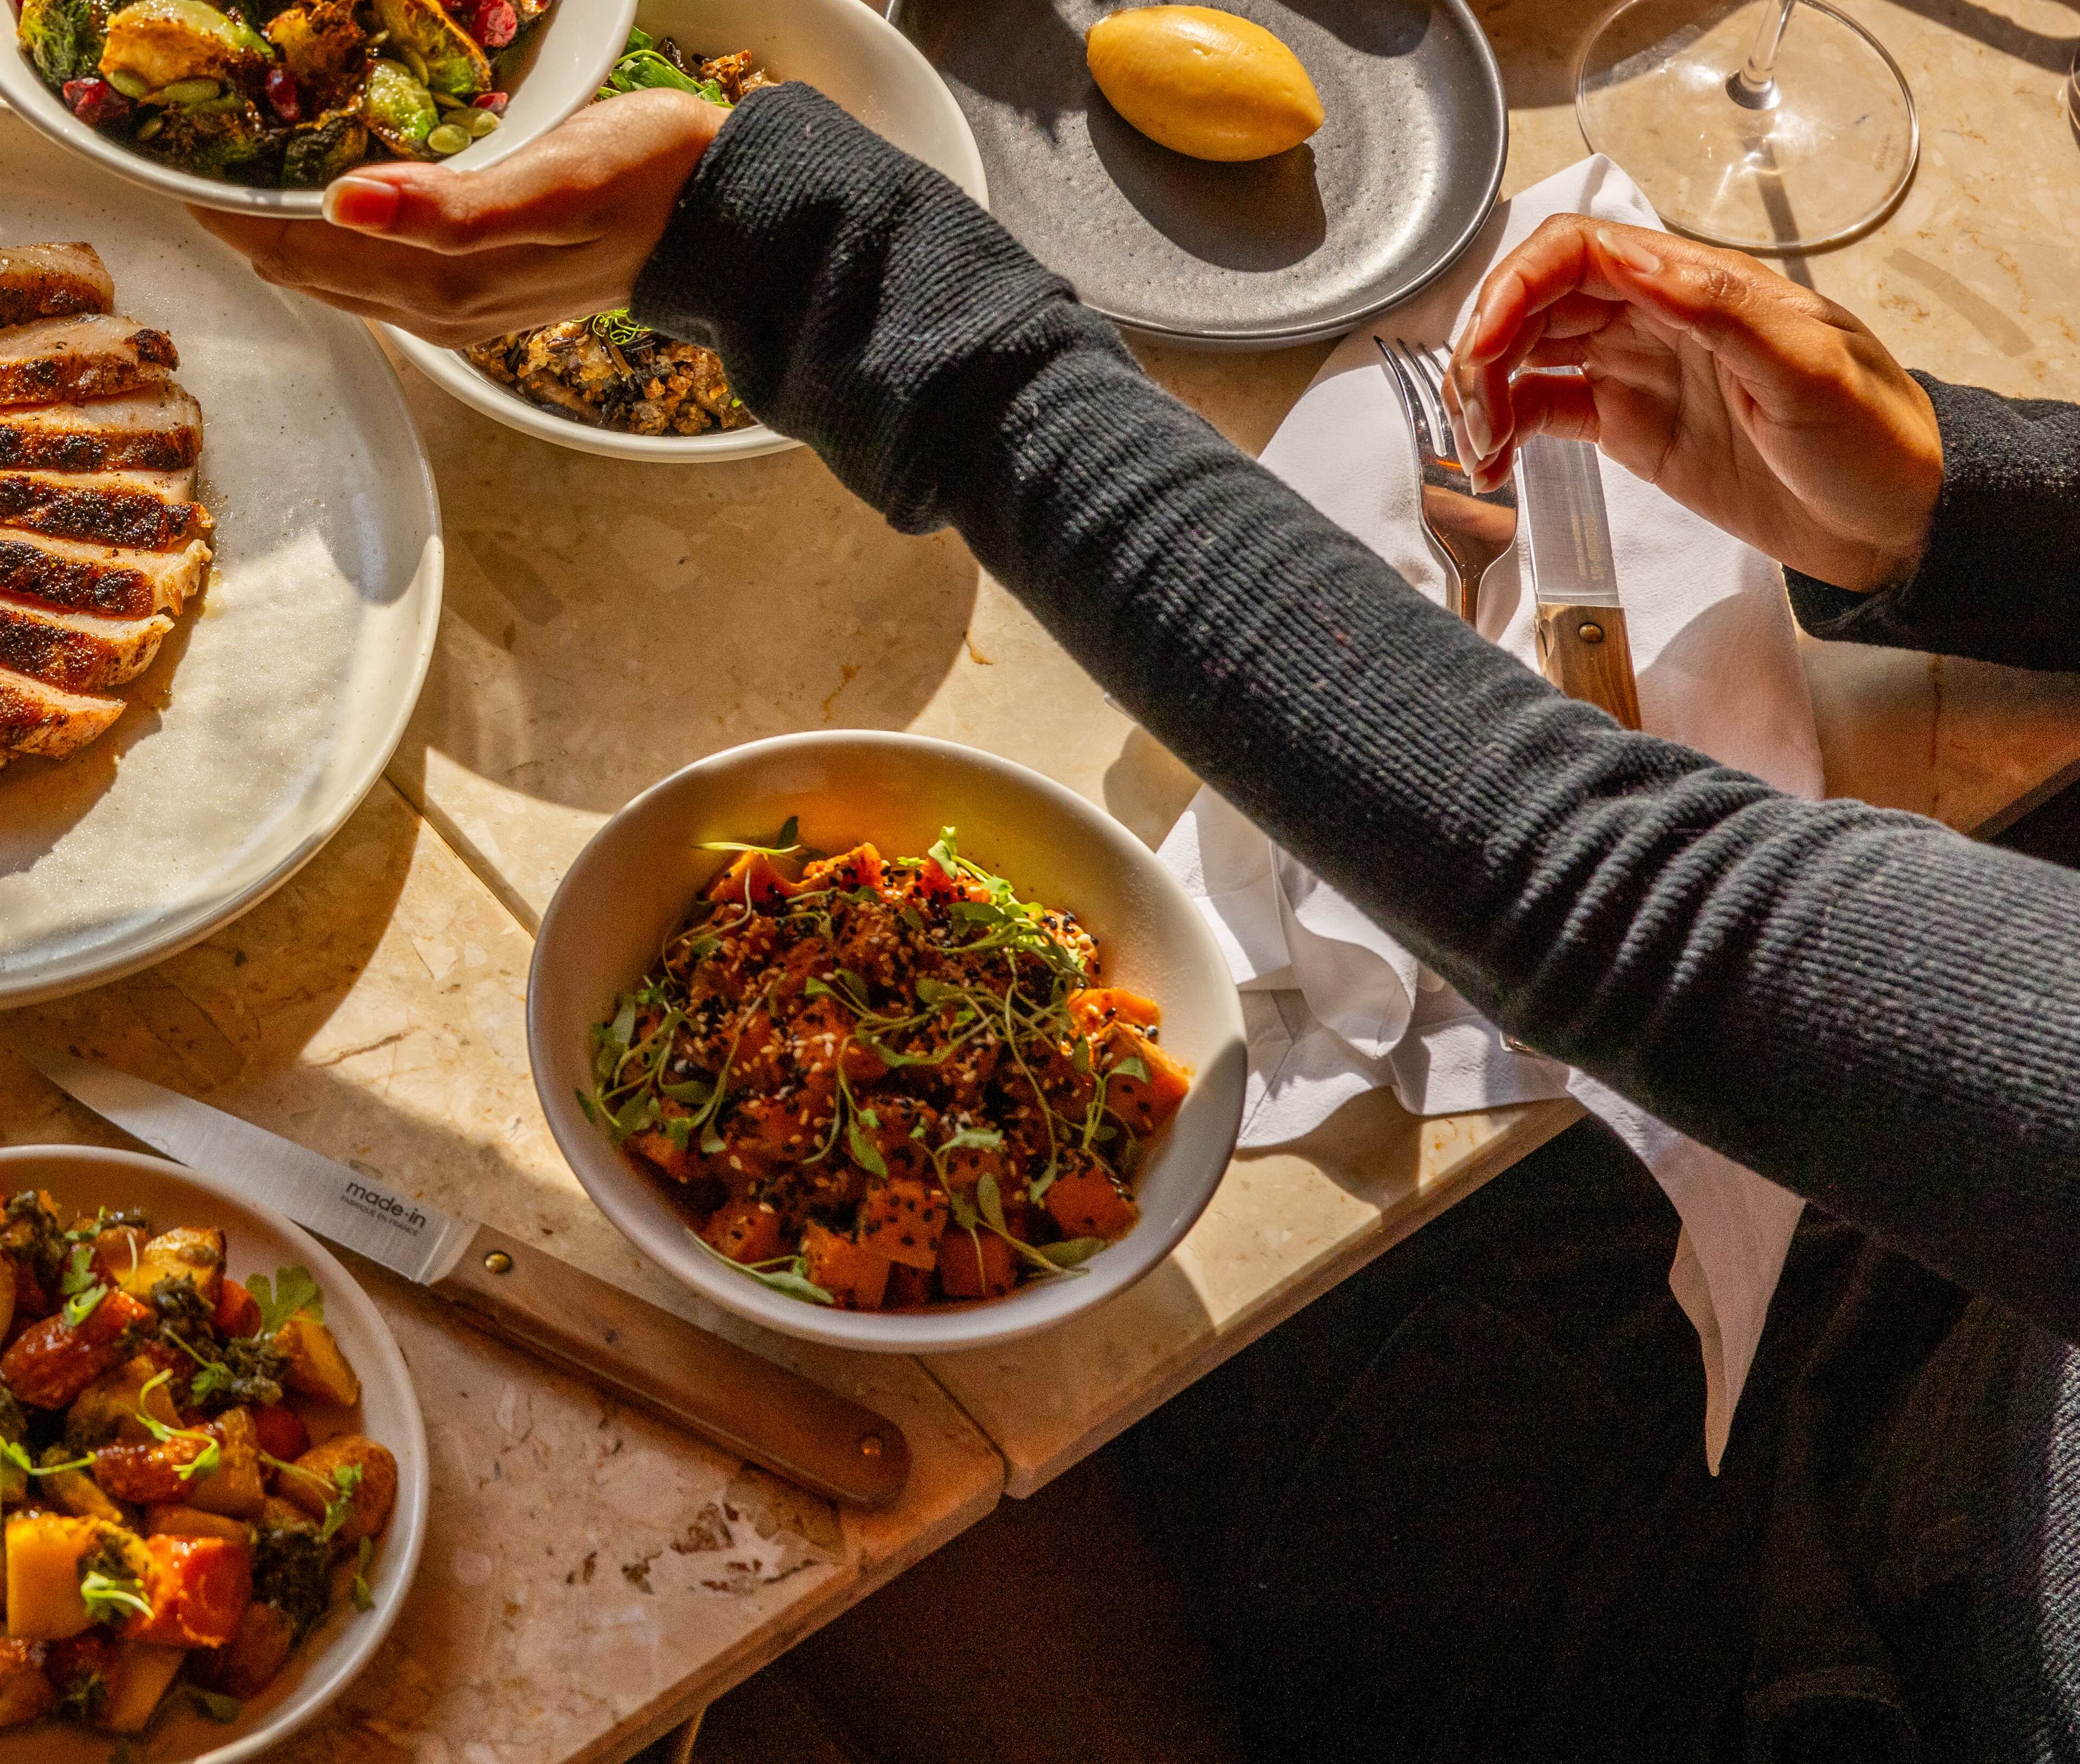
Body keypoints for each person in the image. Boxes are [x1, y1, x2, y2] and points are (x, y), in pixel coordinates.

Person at [211, 87, 2080, 1758]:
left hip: (1766, 1621)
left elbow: (1638, 904)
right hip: (1921, 1284)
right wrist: (1964, 503)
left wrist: (833, 268)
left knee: (853, 1520)